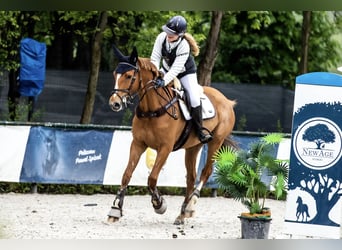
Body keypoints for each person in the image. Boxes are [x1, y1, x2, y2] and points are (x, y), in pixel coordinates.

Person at [150, 15, 212, 143]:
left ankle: (200, 130)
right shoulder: (161, 37)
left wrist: (164, 81)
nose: (168, 35)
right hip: (166, 69)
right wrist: (155, 74)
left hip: (185, 73)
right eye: (167, 31)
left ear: (181, 34)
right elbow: (155, 57)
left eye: (172, 33)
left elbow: (176, 69)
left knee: (194, 98)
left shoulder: (184, 45)